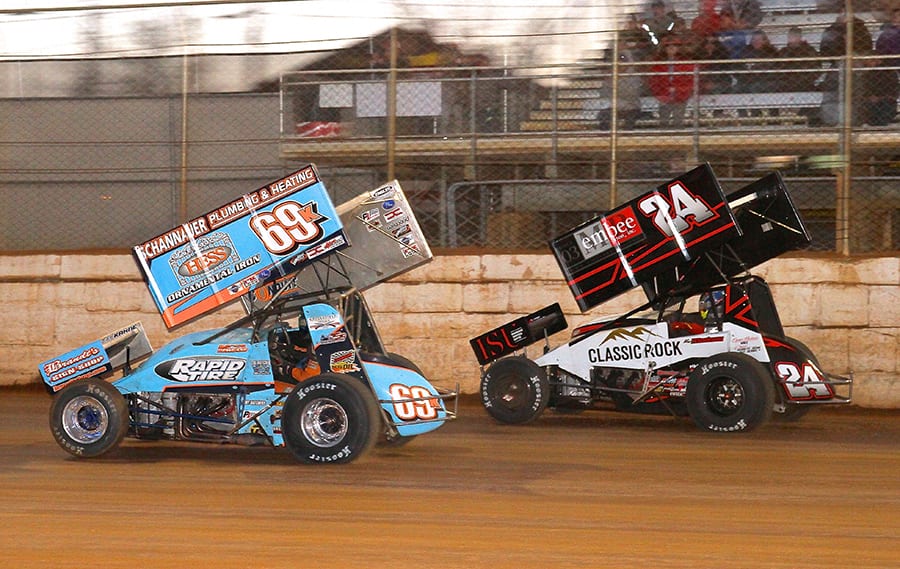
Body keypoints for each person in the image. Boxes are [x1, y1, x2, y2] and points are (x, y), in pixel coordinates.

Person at [648, 35, 696, 127]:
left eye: (675, 45)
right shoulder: (658, 64)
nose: (671, 47)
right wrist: (660, 94)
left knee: (678, 120)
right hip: (664, 95)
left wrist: (680, 90)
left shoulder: (687, 63)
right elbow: (653, 81)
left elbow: (691, 81)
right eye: (667, 46)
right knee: (663, 121)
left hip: (681, 95)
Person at [777, 26, 820, 92]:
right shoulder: (784, 51)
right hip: (787, 84)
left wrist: (806, 79)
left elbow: (817, 67)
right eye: (790, 36)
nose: (792, 39)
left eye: (794, 36)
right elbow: (778, 68)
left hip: (805, 83)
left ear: (800, 37)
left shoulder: (809, 51)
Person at [738, 29, 779, 93]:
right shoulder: (745, 50)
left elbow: (769, 69)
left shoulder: (771, 52)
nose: (756, 41)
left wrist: (754, 67)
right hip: (747, 80)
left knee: (754, 87)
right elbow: (738, 66)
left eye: (759, 39)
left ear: (764, 41)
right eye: (754, 39)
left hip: (766, 80)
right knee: (737, 88)